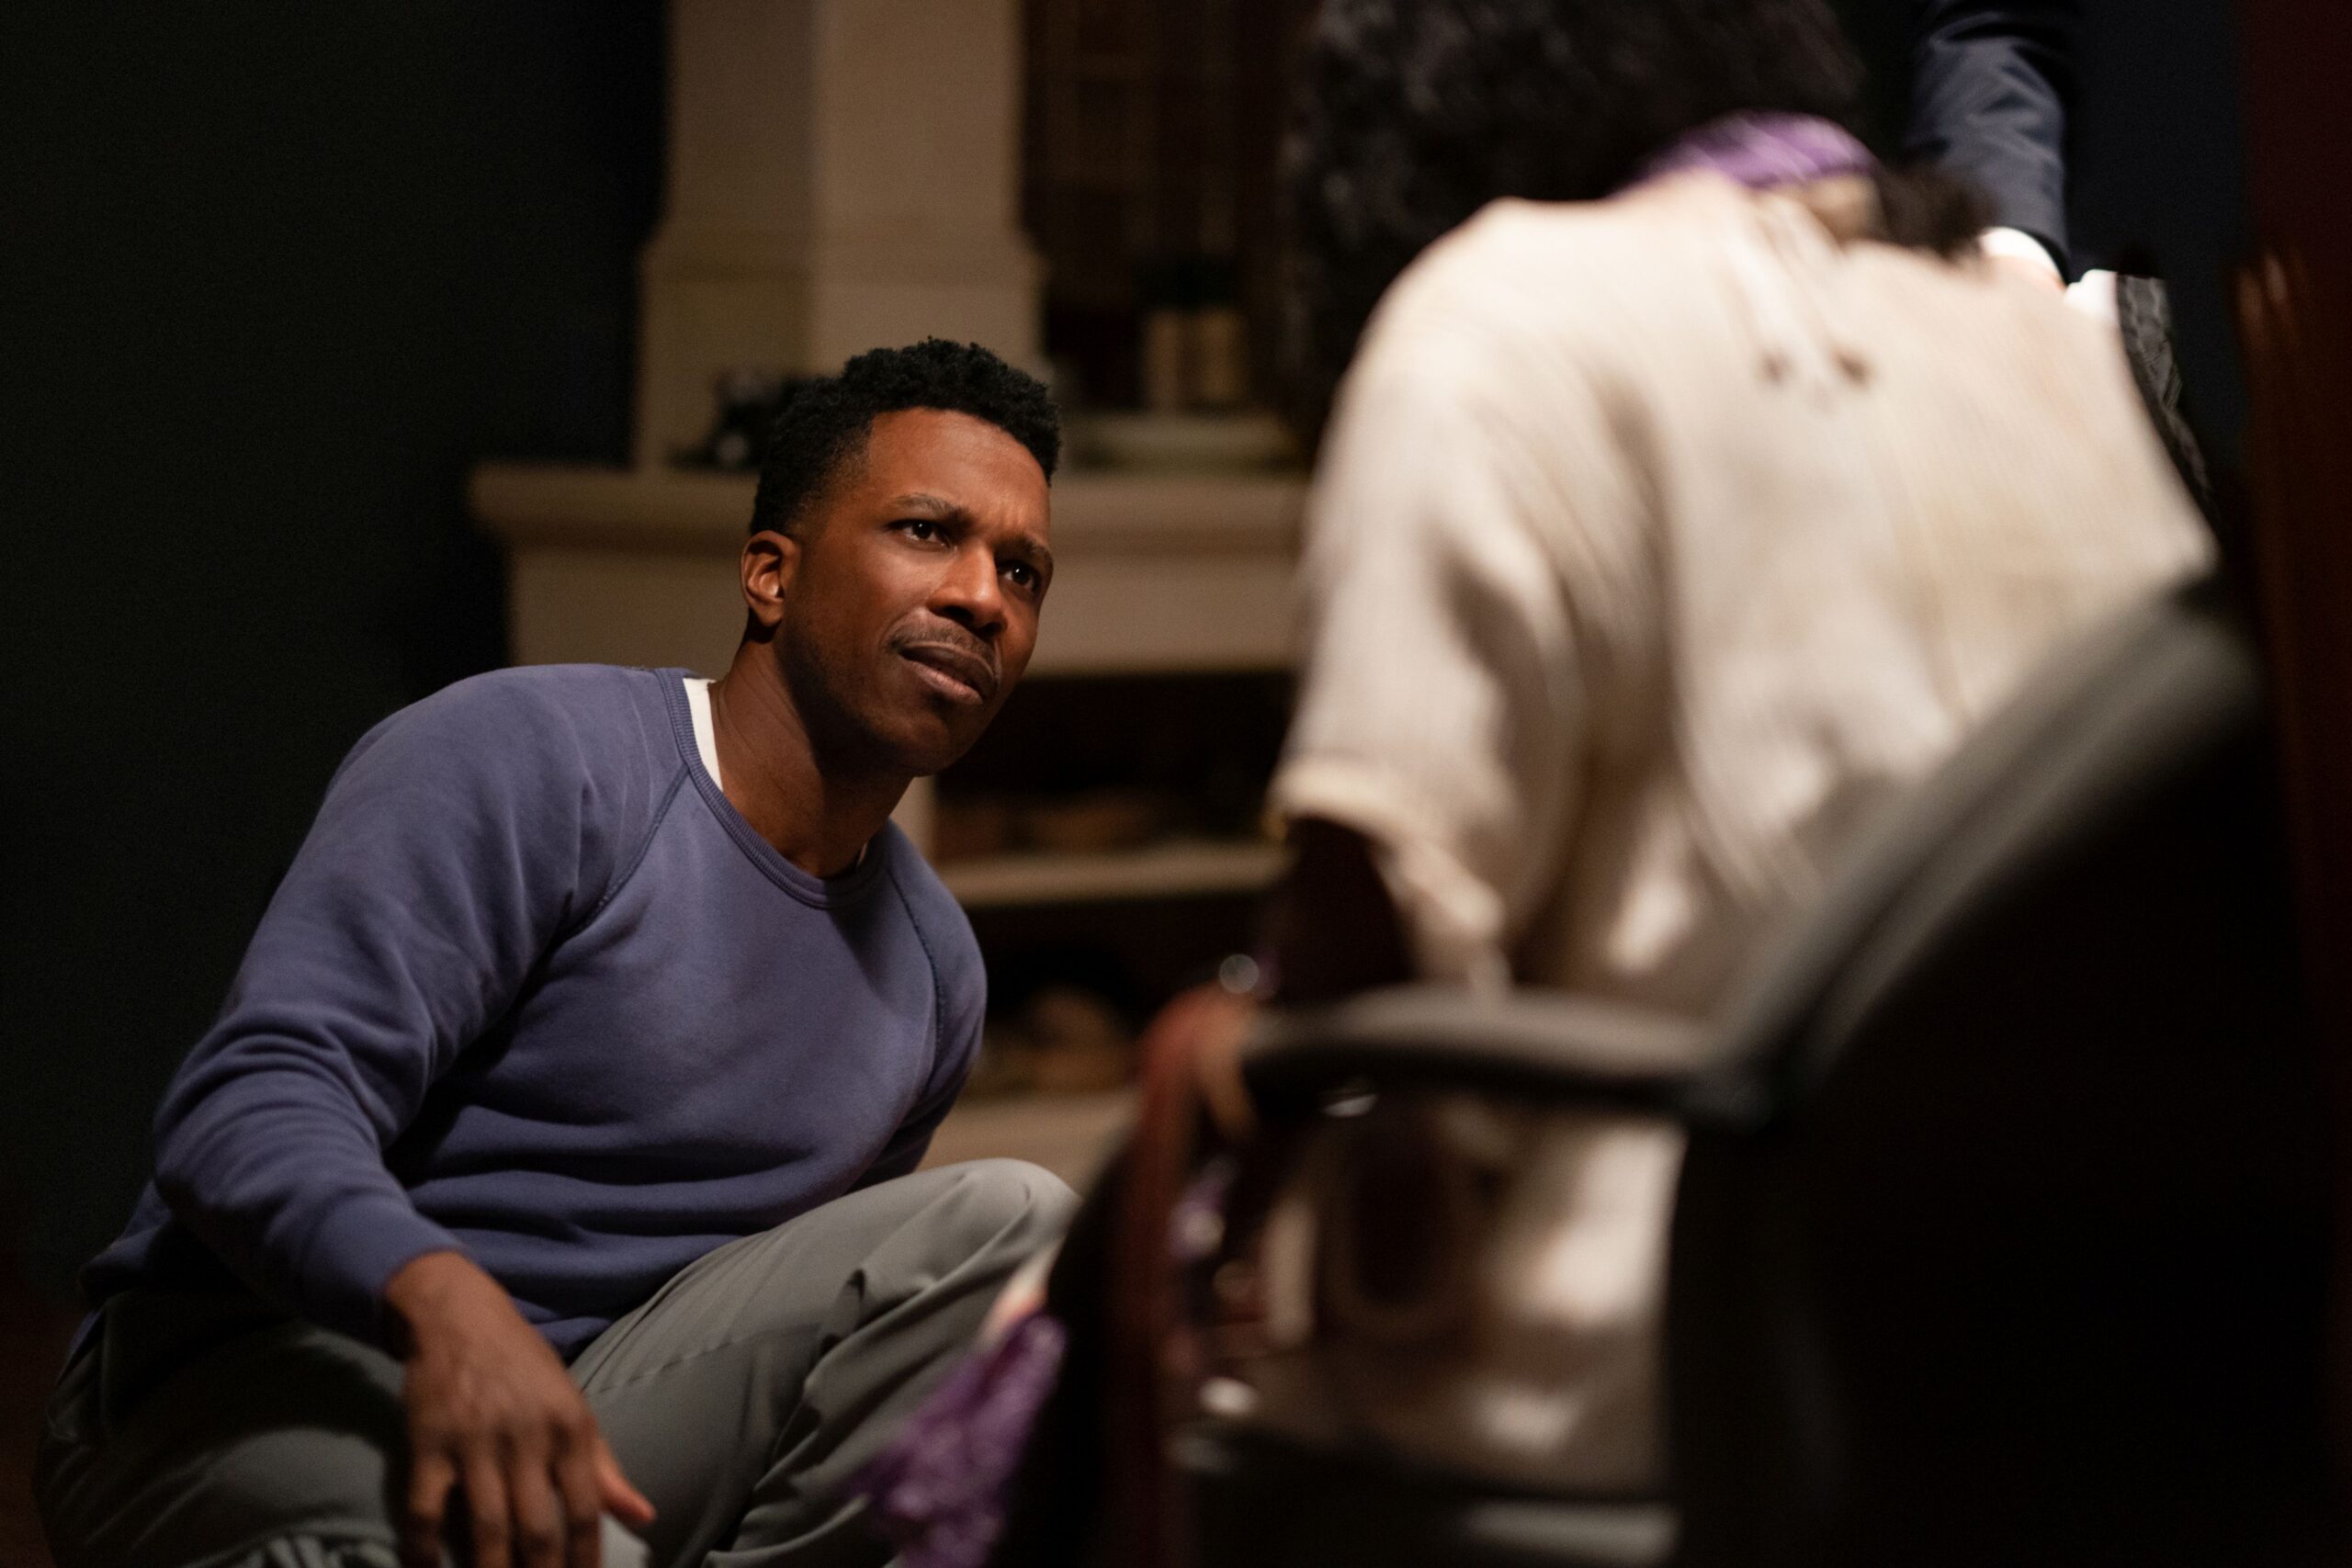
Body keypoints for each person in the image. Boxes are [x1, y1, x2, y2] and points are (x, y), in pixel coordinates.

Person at [37, 339, 1078, 1568]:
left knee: (1020, 1221)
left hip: (590, 1416)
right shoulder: (534, 760)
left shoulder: (934, 968)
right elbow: (241, 1108)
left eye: (1020, 570)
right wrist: (444, 1302)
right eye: (926, 531)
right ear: (771, 574)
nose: (981, 597)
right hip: (243, 1379)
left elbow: (826, 1364)